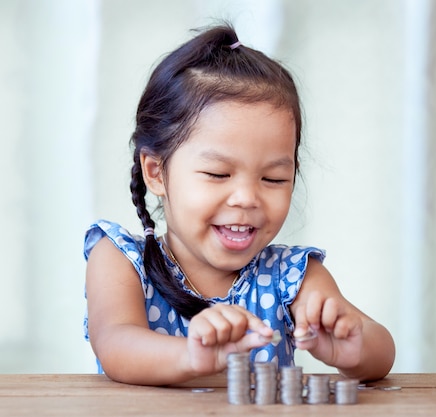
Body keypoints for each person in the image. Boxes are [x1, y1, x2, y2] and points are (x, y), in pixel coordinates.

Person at [83, 24, 395, 386]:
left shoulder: (291, 276)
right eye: (218, 173)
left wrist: (355, 350)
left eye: (273, 179)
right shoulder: (120, 260)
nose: (247, 198)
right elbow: (117, 343)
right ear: (155, 173)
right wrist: (191, 355)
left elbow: (381, 349)